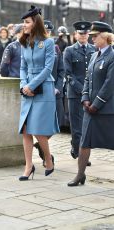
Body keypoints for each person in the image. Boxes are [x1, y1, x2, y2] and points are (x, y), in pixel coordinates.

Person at [68, 21, 114, 186]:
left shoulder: (112, 56)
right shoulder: (95, 55)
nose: (92, 38)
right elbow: (87, 79)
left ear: (105, 36)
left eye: (95, 36)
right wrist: (85, 99)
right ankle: (80, 175)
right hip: (90, 108)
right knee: (84, 142)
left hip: (107, 110)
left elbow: (110, 84)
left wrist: (96, 104)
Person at [18, 5, 59, 181]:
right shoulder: (24, 43)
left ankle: (48, 159)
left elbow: (48, 68)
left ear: (36, 23)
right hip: (27, 89)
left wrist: (32, 85)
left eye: (27, 22)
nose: (24, 25)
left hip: (44, 89)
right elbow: (22, 67)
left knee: (39, 130)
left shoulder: (49, 43)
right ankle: (28, 166)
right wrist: (24, 85)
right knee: (26, 130)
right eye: (24, 23)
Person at [63, 21, 95, 165]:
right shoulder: (69, 50)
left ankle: (82, 152)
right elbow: (68, 74)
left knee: (88, 127)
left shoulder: (94, 49)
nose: (83, 36)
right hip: (75, 94)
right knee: (77, 127)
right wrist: (82, 90)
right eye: (80, 33)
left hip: (91, 94)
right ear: (75, 34)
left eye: (86, 33)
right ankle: (78, 152)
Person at [34, 20, 65, 167]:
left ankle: (41, 144)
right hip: (40, 91)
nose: (46, 33)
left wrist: (57, 87)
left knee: (58, 121)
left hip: (55, 92)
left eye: (49, 31)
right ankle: (46, 155)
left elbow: (61, 70)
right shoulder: (34, 46)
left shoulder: (56, 48)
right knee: (41, 124)